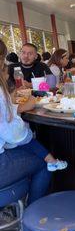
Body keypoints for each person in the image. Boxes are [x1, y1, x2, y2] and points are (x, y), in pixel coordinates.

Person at [0, 40, 51, 205]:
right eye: (23, 52)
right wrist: (29, 132)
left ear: (36, 55)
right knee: (45, 162)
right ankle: (32, 214)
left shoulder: (42, 67)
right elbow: (14, 135)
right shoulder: (4, 85)